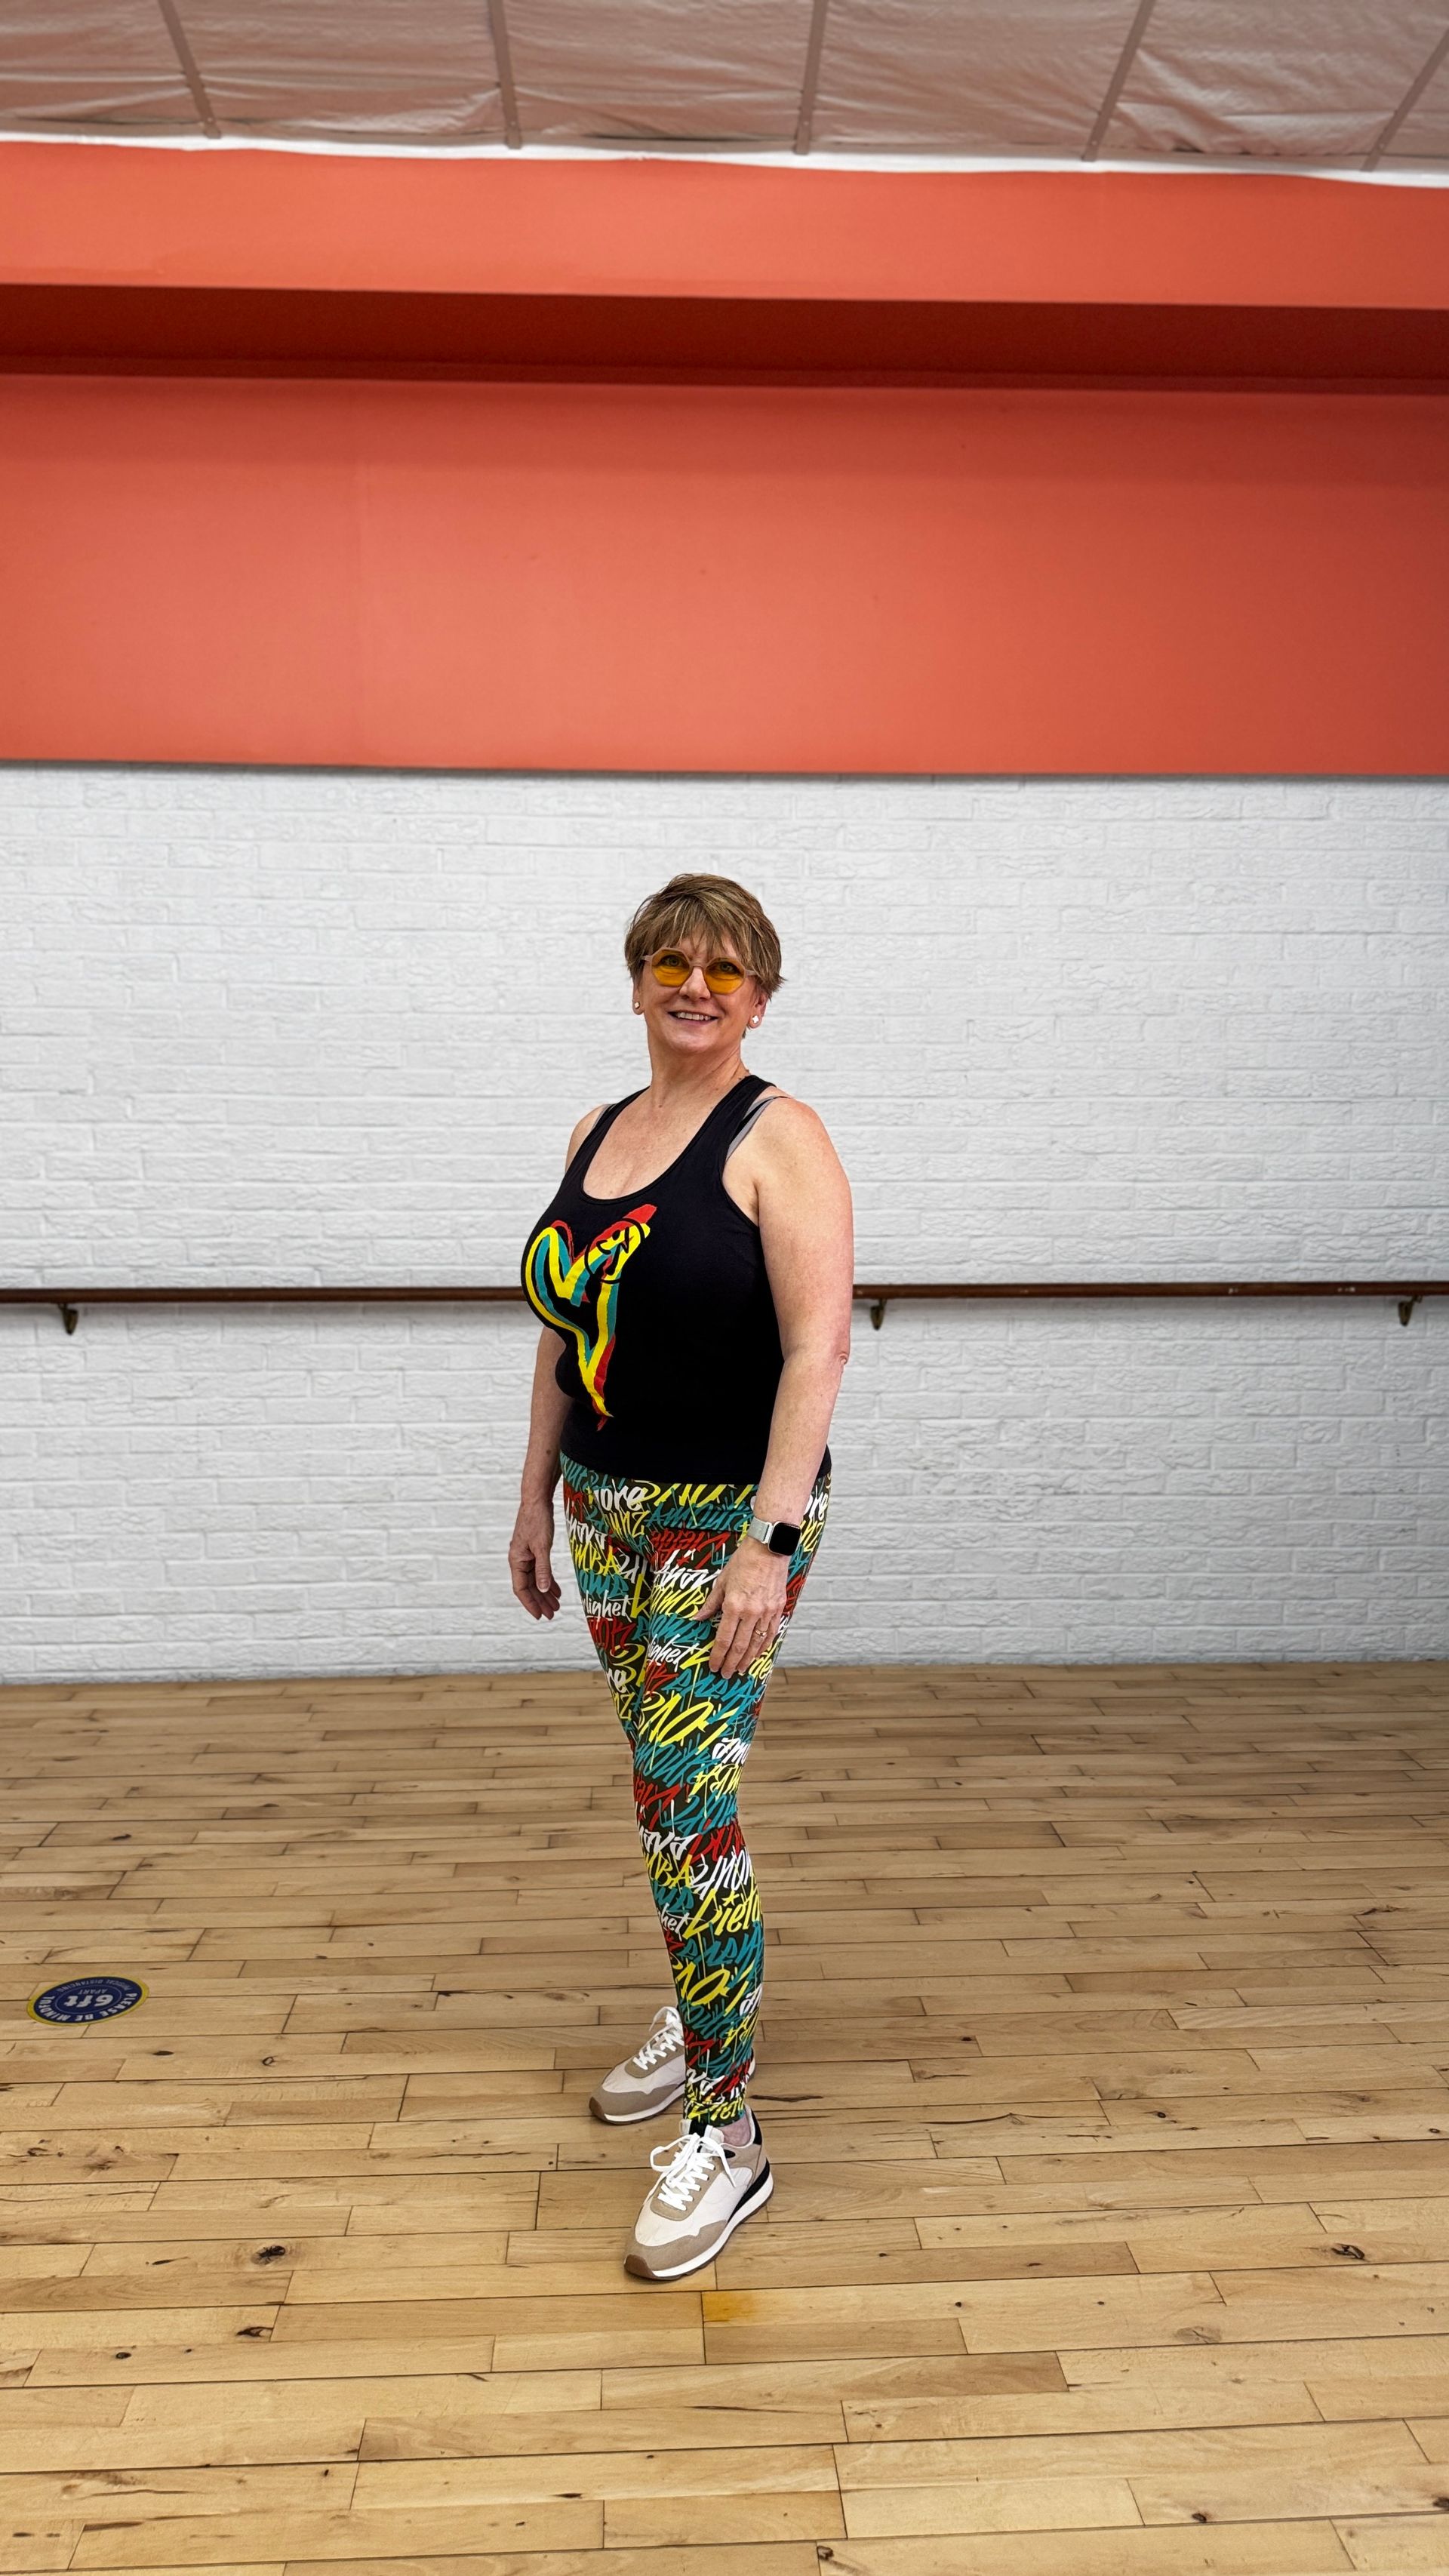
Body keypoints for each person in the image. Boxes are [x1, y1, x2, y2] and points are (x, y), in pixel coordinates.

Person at [509, 873, 853, 2280]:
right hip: (603, 1507)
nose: (694, 984)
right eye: (670, 961)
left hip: (726, 1524)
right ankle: (696, 2007)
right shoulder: (599, 1130)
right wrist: (531, 1489)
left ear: (759, 993)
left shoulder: (782, 1139)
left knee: (687, 1803)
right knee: (663, 1800)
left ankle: (731, 2124)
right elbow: (556, 1322)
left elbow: (819, 1350)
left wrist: (770, 1546)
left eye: (723, 967)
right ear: (638, 977)